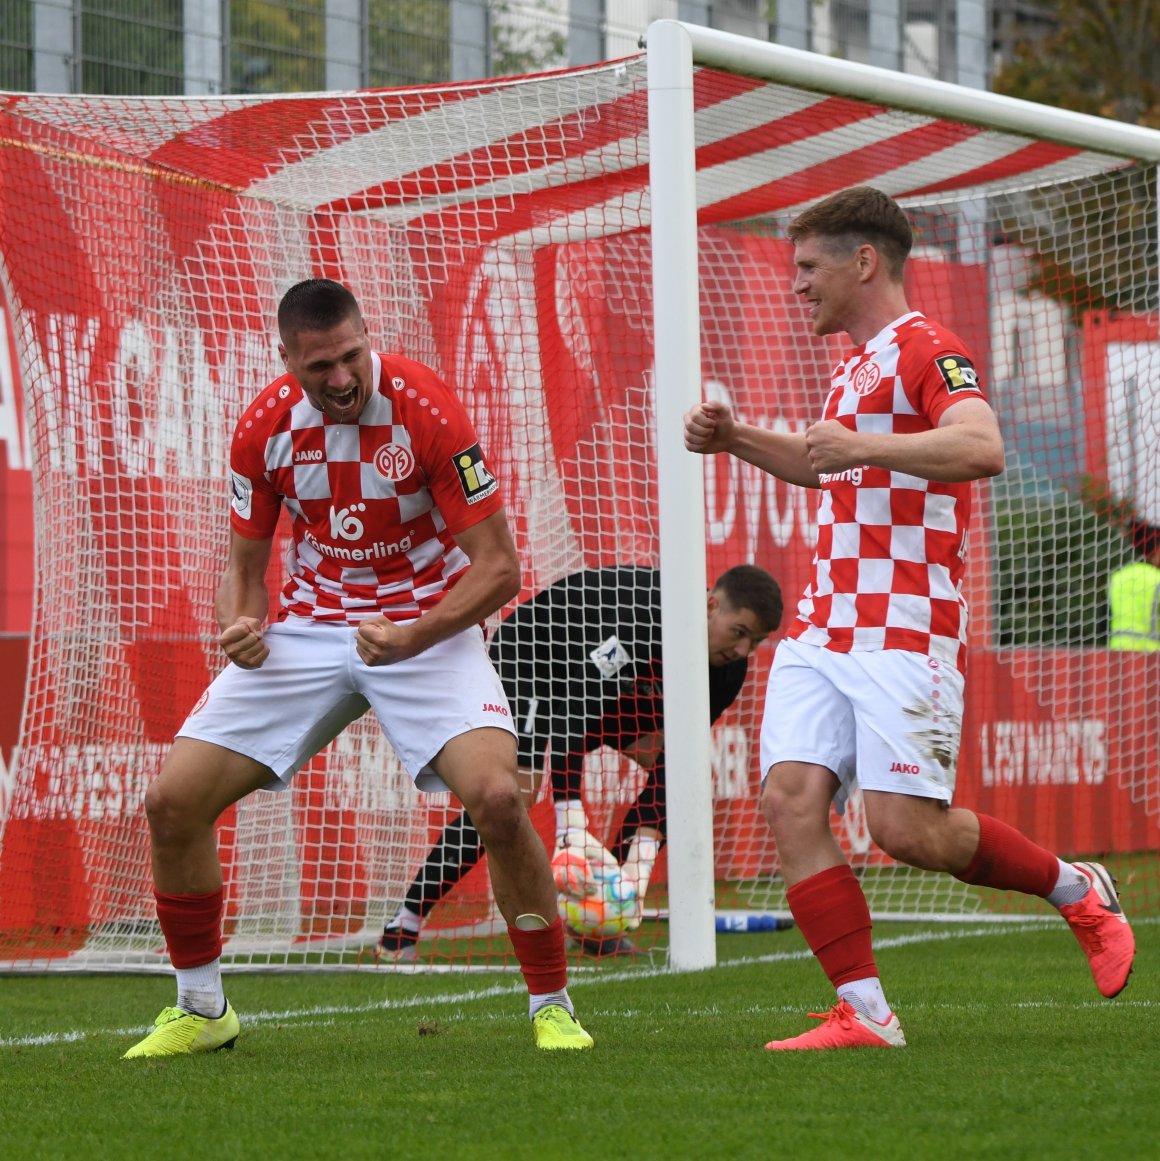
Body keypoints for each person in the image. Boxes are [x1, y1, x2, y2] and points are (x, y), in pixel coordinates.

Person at [683, 186, 1136, 1051]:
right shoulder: (855, 363)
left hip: (903, 624)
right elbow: (832, 470)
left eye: (808, 267)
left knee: (905, 831)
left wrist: (864, 446)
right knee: (789, 799)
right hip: (824, 623)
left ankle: (1077, 889)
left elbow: (982, 445)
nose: (797, 285)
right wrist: (738, 437)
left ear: (864, 262)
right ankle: (867, 1011)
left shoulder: (926, 345)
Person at [123, 279, 592, 1057]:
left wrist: (416, 633)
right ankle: (202, 1009)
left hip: (427, 624)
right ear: (286, 359)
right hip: (308, 628)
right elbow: (243, 571)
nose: (341, 379)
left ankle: (553, 1004)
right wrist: (236, 625)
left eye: (350, 357)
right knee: (171, 802)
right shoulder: (263, 429)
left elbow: (500, 568)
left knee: (499, 799)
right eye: (320, 367)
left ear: (367, 336)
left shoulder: (427, 409)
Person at [378, 564, 784, 958]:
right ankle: (405, 922)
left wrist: (636, 871)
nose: (744, 650)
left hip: (614, 693)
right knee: (511, 796)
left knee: (676, 766)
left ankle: (598, 916)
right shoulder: (646, 615)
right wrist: (571, 823)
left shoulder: (729, 669)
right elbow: (573, 710)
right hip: (534, 664)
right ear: (711, 605)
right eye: (739, 633)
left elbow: (674, 764)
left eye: (757, 641)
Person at [1108, 521, 1160, 650]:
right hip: (1151, 656)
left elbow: (1103, 623)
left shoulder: (1118, 577)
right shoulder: (1157, 579)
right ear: (1156, 550)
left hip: (1117, 656)